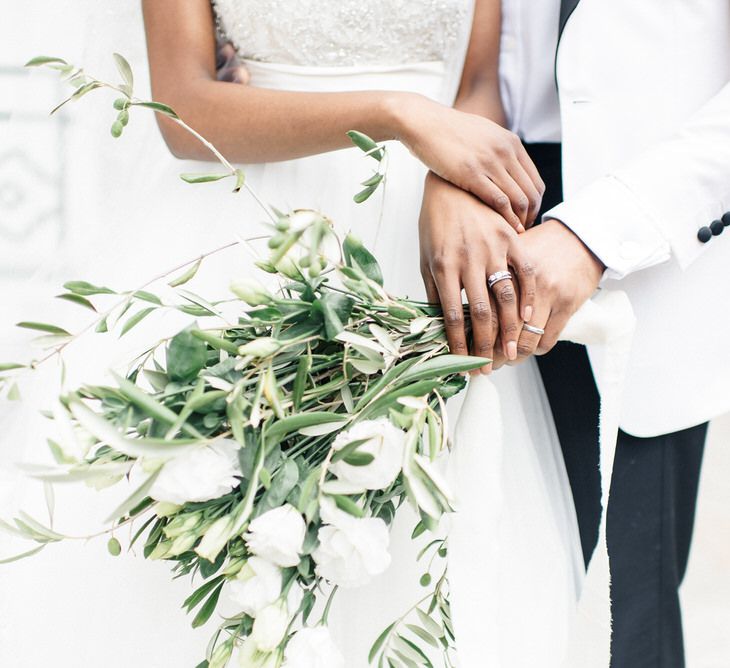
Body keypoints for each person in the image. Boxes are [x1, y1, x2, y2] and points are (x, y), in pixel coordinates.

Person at [142, 0, 588, 665]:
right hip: (262, 242)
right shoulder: (393, 123)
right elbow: (183, 110)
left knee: (418, 552)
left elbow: (477, 85)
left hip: (424, 248)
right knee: (248, 550)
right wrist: (397, 114)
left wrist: (462, 185)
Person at [420, 1, 730, 666]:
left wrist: (599, 232)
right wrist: (454, 168)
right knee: (446, 575)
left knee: (627, 620)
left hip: (644, 242)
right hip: (457, 217)